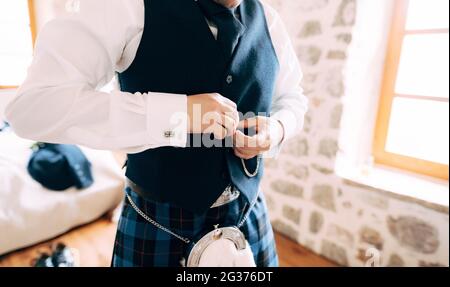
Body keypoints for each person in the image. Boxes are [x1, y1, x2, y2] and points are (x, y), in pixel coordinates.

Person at [6, 0, 308, 267]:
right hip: (159, 221)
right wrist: (177, 114)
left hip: (248, 214)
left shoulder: (270, 21)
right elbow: (34, 107)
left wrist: (278, 128)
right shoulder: (125, 6)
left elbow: (293, 99)